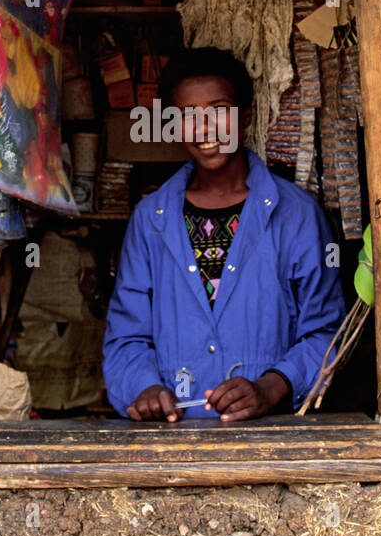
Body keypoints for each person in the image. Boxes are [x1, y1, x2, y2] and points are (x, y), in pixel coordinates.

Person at [102, 47, 346, 423]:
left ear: (245, 115)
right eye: (187, 115)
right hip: (171, 445)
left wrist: (271, 387)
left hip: (272, 440)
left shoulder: (296, 215)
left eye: (218, 110)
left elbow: (326, 333)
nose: (204, 129)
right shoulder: (150, 219)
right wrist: (143, 387)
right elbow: (125, 337)